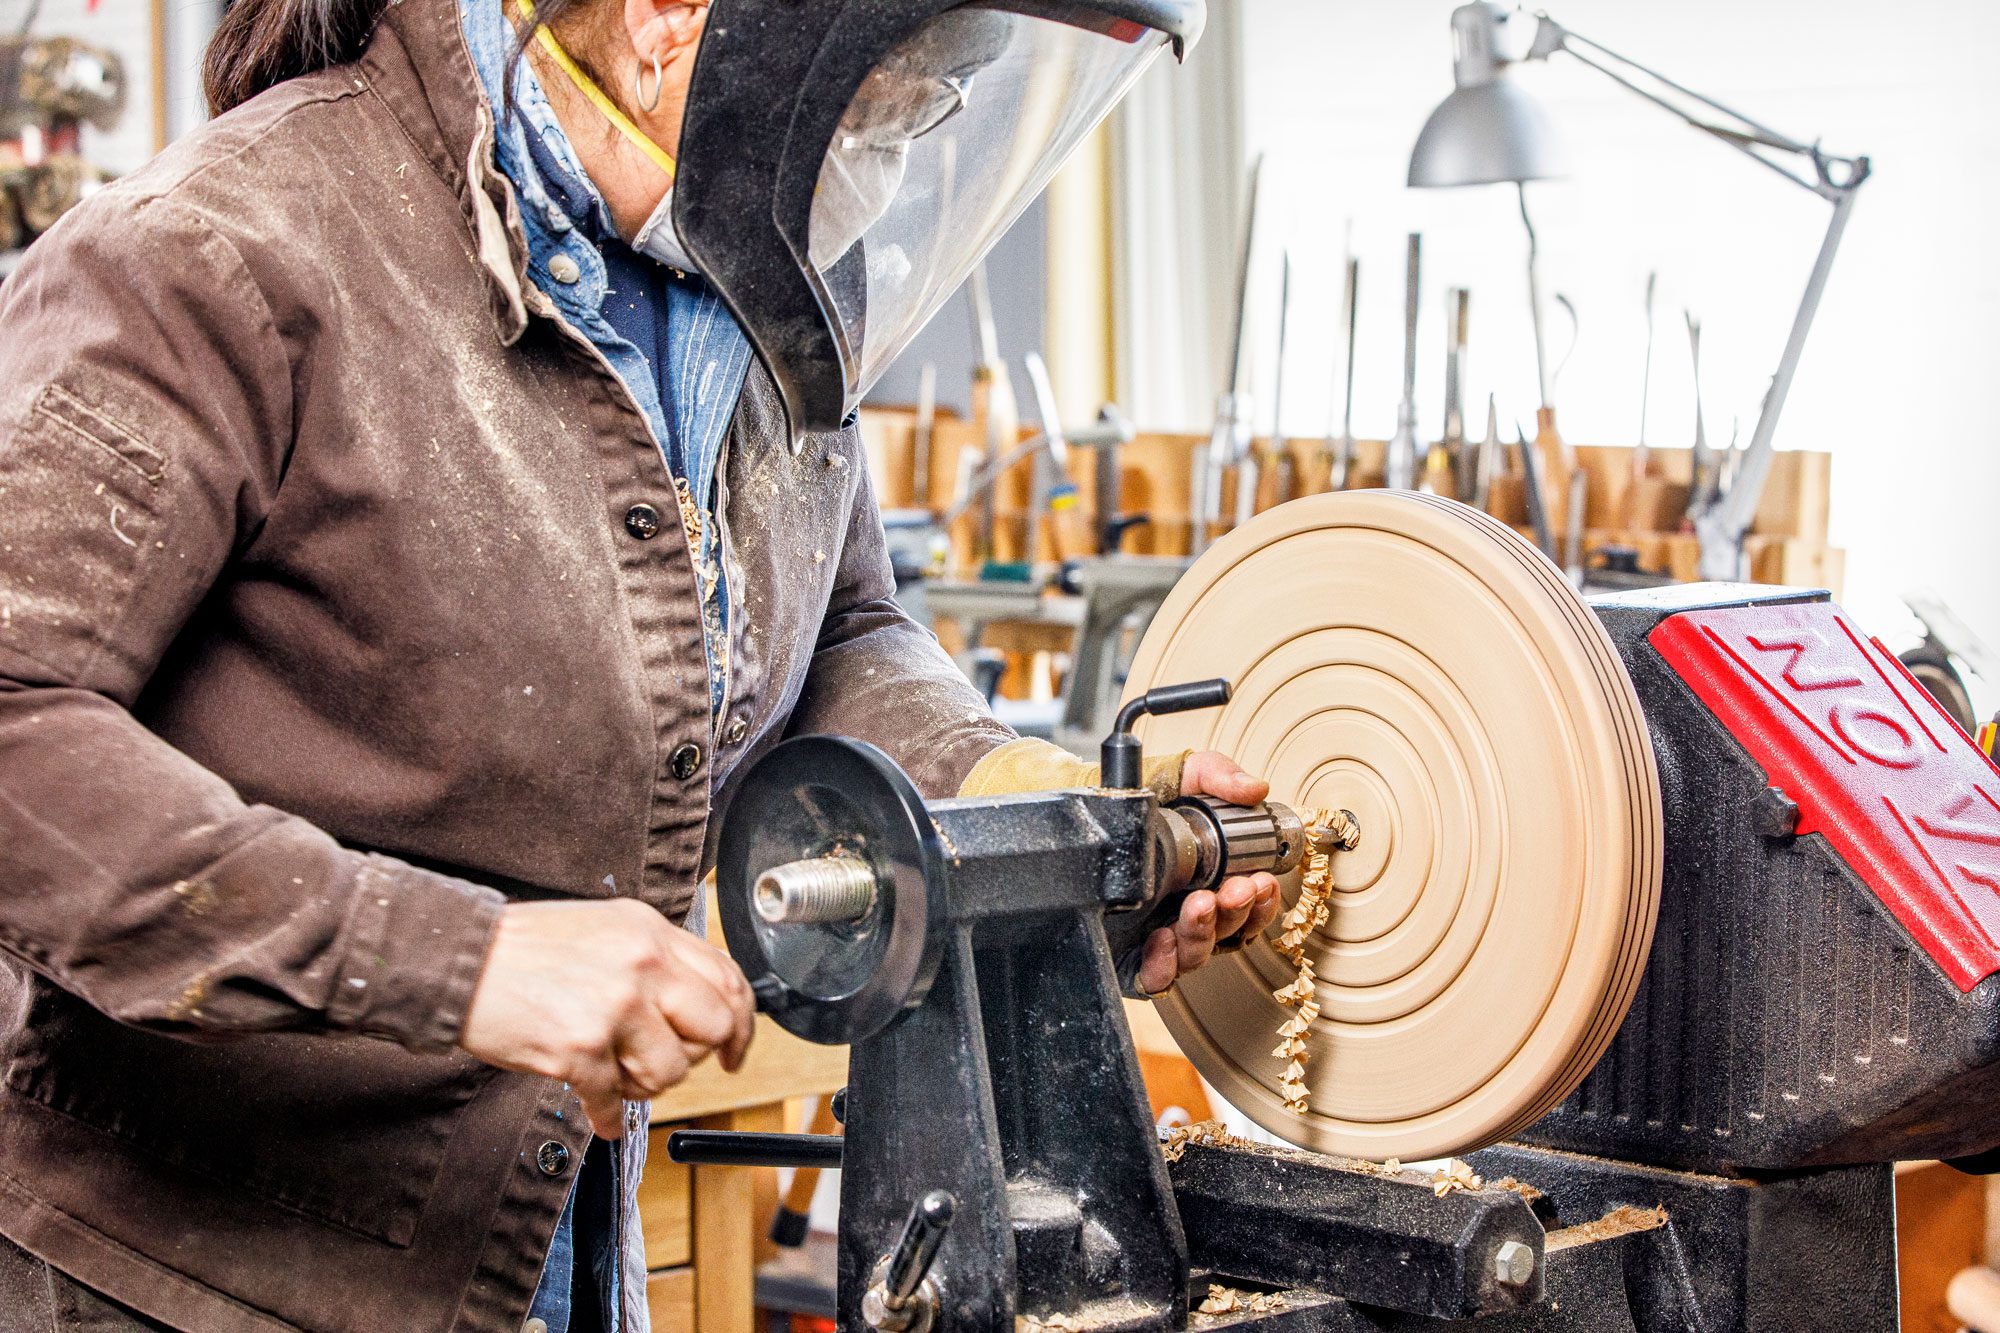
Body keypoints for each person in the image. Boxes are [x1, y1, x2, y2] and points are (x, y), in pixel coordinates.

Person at [0, 0, 1262, 1329]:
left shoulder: (758, 278)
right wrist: (469, 962)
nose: (884, 158)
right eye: (880, 100)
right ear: (668, 22)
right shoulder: (217, 254)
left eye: (927, 111)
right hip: (196, 1279)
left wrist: (1028, 803)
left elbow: (839, 637)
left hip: (556, 1253)